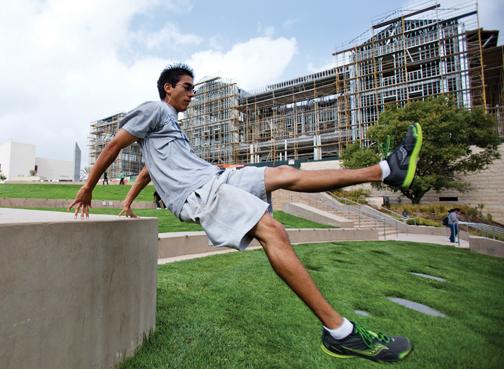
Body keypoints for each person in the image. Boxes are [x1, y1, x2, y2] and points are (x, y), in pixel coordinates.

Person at [68, 64, 423, 363]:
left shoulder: (171, 127)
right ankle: (340, 332)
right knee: (272, 231)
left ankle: (383, 170)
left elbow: (149, 171)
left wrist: (130, 201)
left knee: (285, 172)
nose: (192, 94)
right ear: (168, 88)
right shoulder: (154, 109)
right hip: (201, 193)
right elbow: (114, 144)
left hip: (216, 177)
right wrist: (88, 187)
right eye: (188, 88)